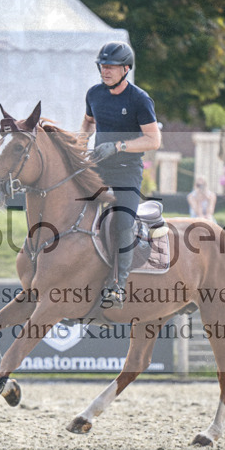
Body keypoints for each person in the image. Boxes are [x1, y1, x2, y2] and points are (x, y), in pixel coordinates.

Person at [80, 41, 161, 308]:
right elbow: (88, 123)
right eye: (103, 66)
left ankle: (118, 285)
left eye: (111, 67)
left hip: (127, 171)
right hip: (98, 168)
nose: (105, 71)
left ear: (126, 69)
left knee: (123, 223)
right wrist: (80, 147)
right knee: (74, 210)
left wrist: (118, 147)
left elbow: (153, 140)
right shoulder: (94, 94)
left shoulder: (139, 99)